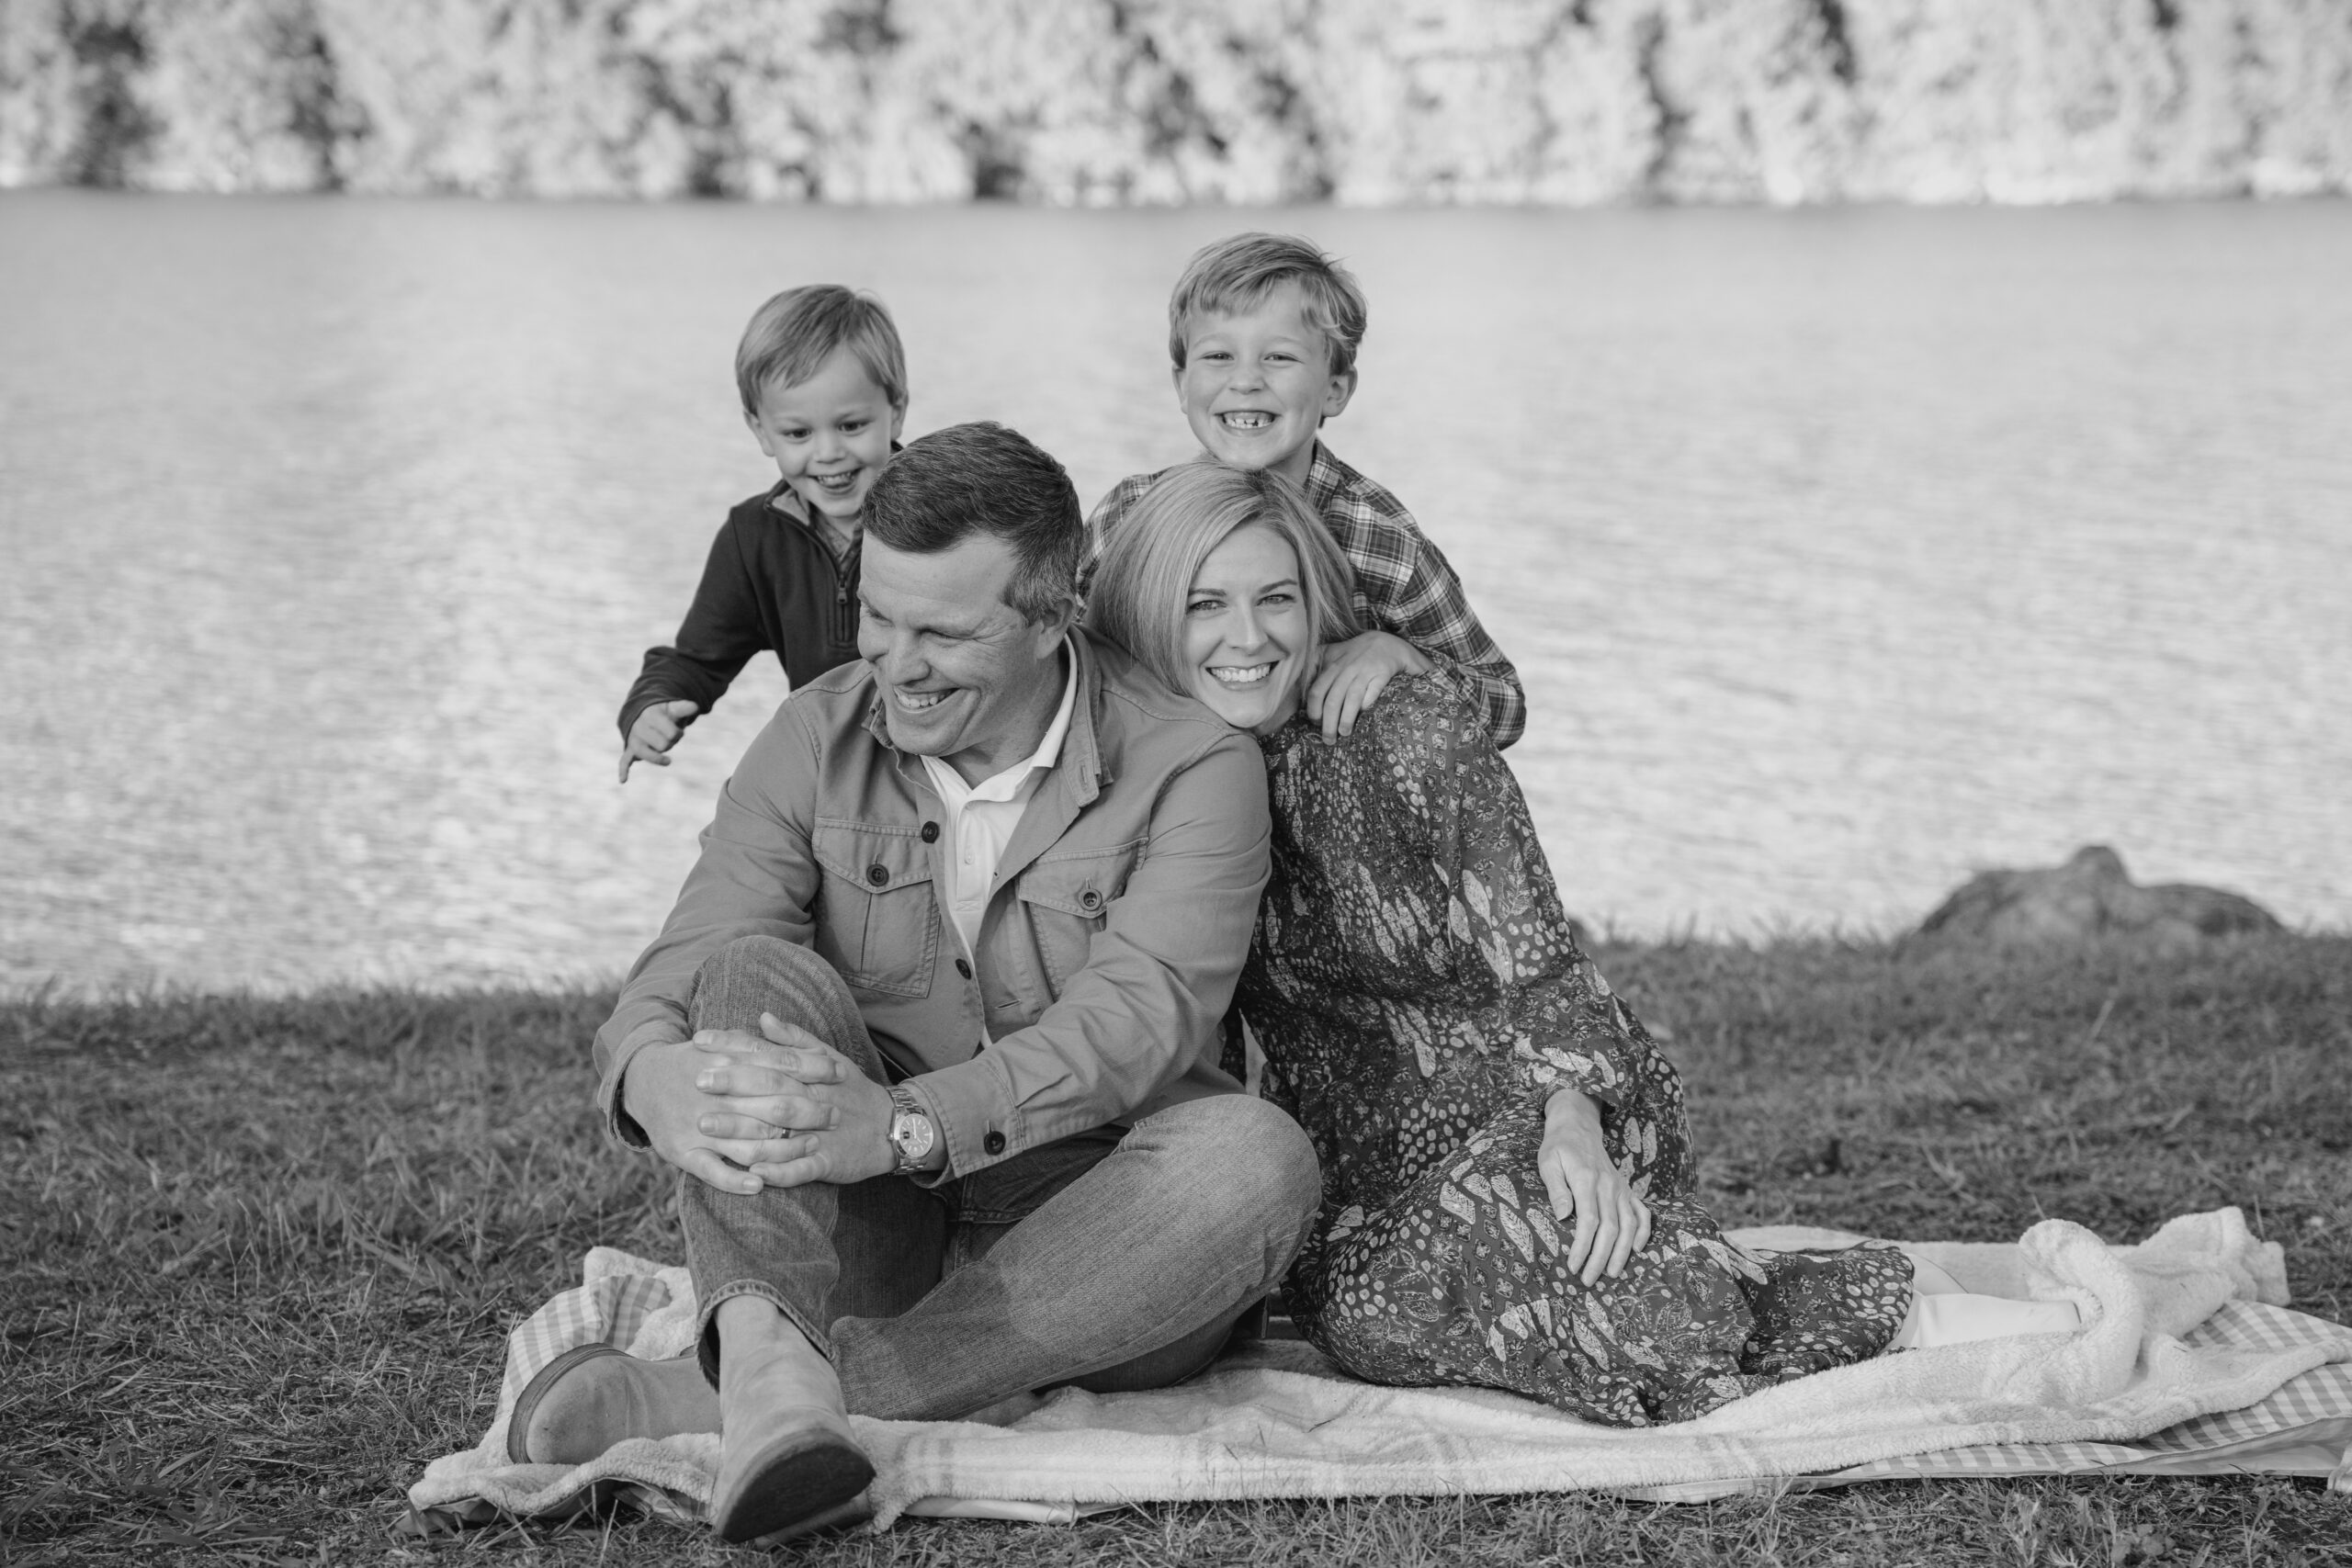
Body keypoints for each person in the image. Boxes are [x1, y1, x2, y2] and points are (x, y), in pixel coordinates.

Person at [1085, 464, 2077, 1427]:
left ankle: (1890, 1304)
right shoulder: (1179, 782)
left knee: (1607, 1291)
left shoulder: (1405, 726)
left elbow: (1540, 956)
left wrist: (1571, 1119)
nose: (1249, 638)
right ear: (1147, 614)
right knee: (1362, 1318)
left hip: (1545, 1091)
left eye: (1276, 599)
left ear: (1316, 602)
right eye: (1204, 606)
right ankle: (1732, 1282)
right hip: (1362, 1153)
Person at [544, 423, 1320, 1544]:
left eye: (945, 633)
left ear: (1056, 616)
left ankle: (743, 1392)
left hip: (1103, 1243)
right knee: (746, 972)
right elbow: (694, 946)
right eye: (879, 615)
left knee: (1256, 1158)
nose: (895, 664)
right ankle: (775, 1364)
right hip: (869, 1233)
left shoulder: (1196, 762)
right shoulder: (815, 731)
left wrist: (905, 1127)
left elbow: (1137, 1023)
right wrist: (648, 1071)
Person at [1080, 231, 1527, 750]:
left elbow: (1505, 707)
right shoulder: (1130, 515)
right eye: (1219, 356)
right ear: (1181, 384)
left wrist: (1402, 657)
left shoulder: (1379, 540)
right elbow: (1065, 662)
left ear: (1335, 390)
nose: (1245, 381)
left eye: (1279, 358)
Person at [616, 285, 907, 783]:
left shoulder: (948, 515)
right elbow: (698, 659)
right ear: (759, 429)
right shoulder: (753, 538)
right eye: (799, 433)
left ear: (895, 410)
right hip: (830, 775)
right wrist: (652, 705)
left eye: (852, 425)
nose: (829, 452)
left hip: (944, 770)